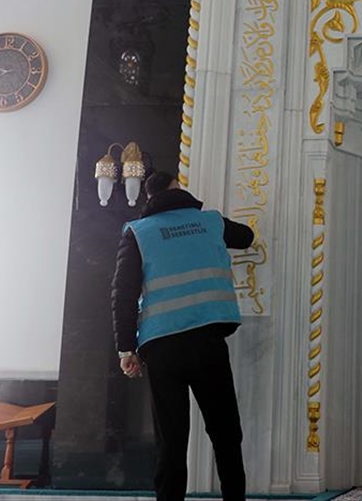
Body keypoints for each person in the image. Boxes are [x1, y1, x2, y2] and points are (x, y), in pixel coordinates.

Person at [111, 172, 254, 501]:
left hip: (162, 347)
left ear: (149, 197)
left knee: (171, 441)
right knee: (226, 434)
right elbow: (246, 237)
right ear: (176, 187)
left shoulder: (138, 233)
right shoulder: (211, 222)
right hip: (207, 341)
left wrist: (125, 349)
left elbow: (123, 293)